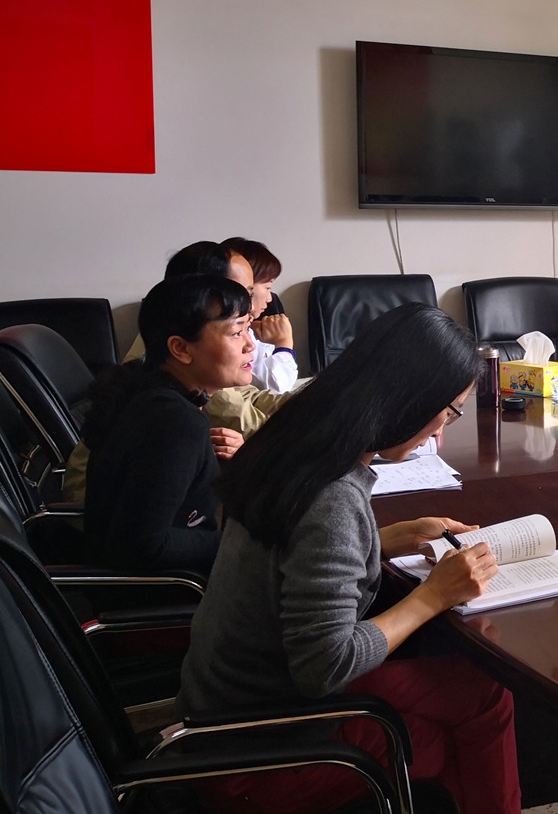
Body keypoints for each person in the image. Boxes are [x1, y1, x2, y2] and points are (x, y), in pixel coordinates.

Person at [178, 303, 517, 814]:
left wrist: (388, 538)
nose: (441, 430)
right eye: (449, 411)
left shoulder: (297, 436)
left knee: (480, 692)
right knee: (460, 729)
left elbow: (291, 555)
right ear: (413, 400)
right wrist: (434, 595)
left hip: (222, 709)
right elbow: (326, 665)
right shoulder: (332, 496)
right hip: (265, 754)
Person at [81, 275, 256, 574]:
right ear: (181, 349)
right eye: (237, 332)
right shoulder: (174, 421)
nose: (250, 344)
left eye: (248, 329)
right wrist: (240, 545)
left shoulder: (150, 392)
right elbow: (142, 546)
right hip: (170, 591)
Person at [221, 236, 298, 393]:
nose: (269, 299)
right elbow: (275, 385)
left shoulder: (248, 329)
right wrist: (284, 344)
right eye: (267, 288)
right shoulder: (226, 329)